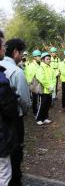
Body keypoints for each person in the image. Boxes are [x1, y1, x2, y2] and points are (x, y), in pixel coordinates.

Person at [0, 38, 31, 186]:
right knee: (15, 155)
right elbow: (25, 101)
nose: (22, 56)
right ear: (15, 52)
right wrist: (23, 112)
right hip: (14, 119)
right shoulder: (17, 72)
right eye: (21, 53)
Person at [0, 31, 19, 186]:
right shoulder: (2, 79)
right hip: (1, 139)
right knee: (4, 176)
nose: (3, 50)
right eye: (1, 45)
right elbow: (10, 110)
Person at [35, 52, 56, 125]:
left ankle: (45, 118)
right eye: (47, 59)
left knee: (47, 105)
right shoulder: (40, 68)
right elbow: (41, 78)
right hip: (43, 90)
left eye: (49, 59)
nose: (49, 60)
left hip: (50, 90)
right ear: (43, 60)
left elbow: (54, 78)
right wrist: (49, 86)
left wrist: (53, 86)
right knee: (42, 105)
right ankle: (39, 118)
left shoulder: (50, 68)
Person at [24, 50, 42, 117]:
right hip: (34, 83)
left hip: (41, 82)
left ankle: (40, 110)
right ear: (34, 57)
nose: (39, 57)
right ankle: (35, 112)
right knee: (35, 98)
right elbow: (28, 75)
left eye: (40, 56)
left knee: (40, 98)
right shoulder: (31, 65)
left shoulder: (41, 64)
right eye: (38, 56)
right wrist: (30, 84)